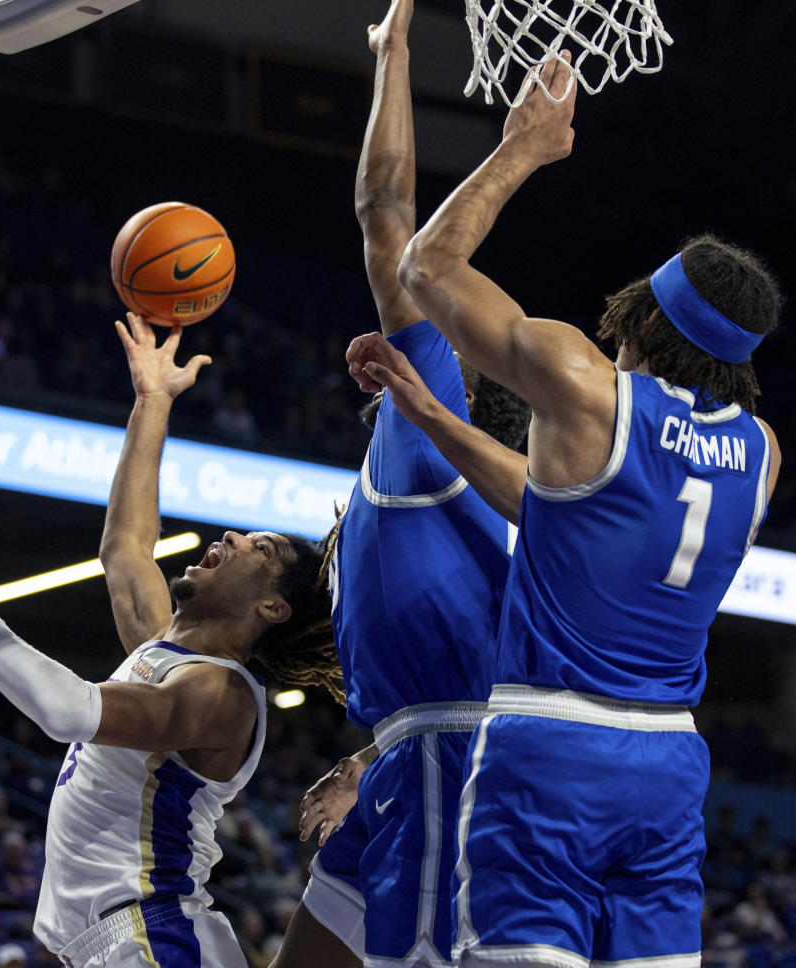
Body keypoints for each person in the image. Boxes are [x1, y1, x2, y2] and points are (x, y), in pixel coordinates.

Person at [348, 51, 782, 968]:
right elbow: (567, 509)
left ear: (643, 320)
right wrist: (434, 419)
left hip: (553, 746)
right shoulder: (762, 453)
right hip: (668, 768)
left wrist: (525, 149)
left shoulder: (589, 386)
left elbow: (426, 263)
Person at [0, 315, 341, 968]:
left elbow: (69, 711)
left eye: (260, 548)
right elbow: (125, 545)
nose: (235, 537)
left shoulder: (222, 693)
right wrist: (152, 401)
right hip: (111, 942)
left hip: (157, 939)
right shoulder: (164, 648)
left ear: (272, 606)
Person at [273, 2, 530, 967]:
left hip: (448, 769)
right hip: (410, 759)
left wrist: (393, 57)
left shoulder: (424, 456)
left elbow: (387, 222)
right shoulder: (448, 503)